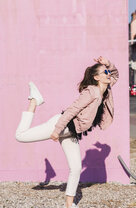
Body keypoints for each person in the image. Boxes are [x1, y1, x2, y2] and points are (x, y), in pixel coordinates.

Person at [15, 56, 119, 208]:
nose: (108, 74)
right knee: (20, 136)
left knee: (76, 168)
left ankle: (69, 205)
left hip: (71, 133)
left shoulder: (106, 90)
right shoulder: (92, 91)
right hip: (62, 125)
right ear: (96, 77)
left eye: (108, 72)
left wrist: (107, 63)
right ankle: (34, 101)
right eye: (105, 72)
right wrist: (57, 130)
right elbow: (71, 110)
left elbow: (116, 74)